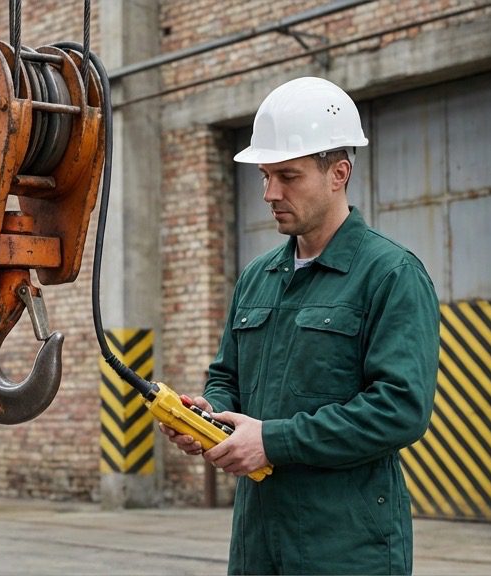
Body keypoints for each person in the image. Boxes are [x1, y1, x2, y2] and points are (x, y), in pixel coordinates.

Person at [161, 77, 439, 575]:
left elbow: (400, 409)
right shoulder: (257, 277)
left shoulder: (390, 274)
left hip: (346, 548)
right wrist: (209, 416)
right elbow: (227, 377)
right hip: (258, 544)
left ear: (339, 173)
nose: (270, 192)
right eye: (265, 175)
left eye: (288, 176)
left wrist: (272, 441)